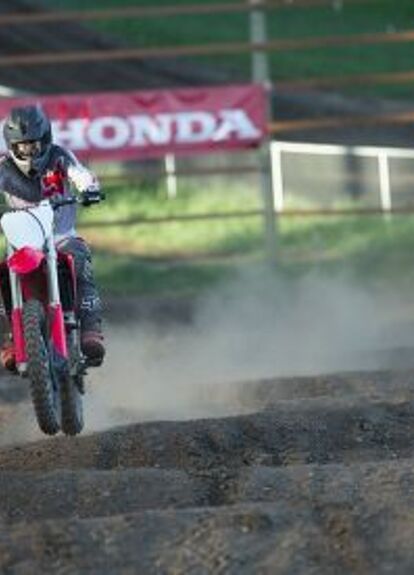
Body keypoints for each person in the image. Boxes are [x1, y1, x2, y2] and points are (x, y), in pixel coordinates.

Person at [0, 104, 105, 371]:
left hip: (61, 236)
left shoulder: (60, 157)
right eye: (22, 147)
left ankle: (90, 330)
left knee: (80, 259)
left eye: (34, 146)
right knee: (2, 273)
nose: (29, 152)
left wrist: (89, 188)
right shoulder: (3, 168)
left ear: (45, 140)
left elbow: (80, 174)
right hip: (22, 243)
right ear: (11, 146)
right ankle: (10, 338)